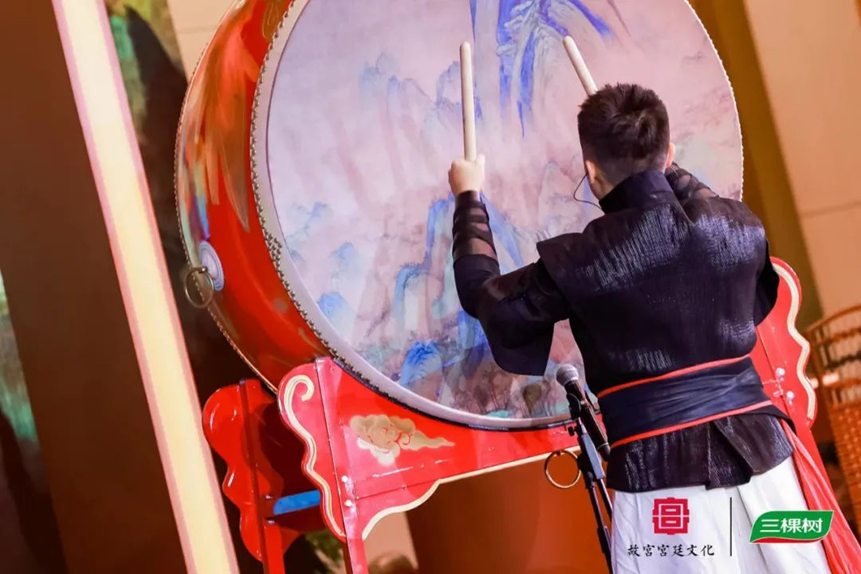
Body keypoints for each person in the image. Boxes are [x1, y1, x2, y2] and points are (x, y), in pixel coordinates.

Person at [449, 84, 859, 573]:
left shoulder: (582, 260)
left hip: (659, 477)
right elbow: (701, 204)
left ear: (590, 172)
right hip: (769, 467)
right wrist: (660, 165)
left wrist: (468, 197)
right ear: (669, 153)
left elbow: (486, 297)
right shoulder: (737, 227)